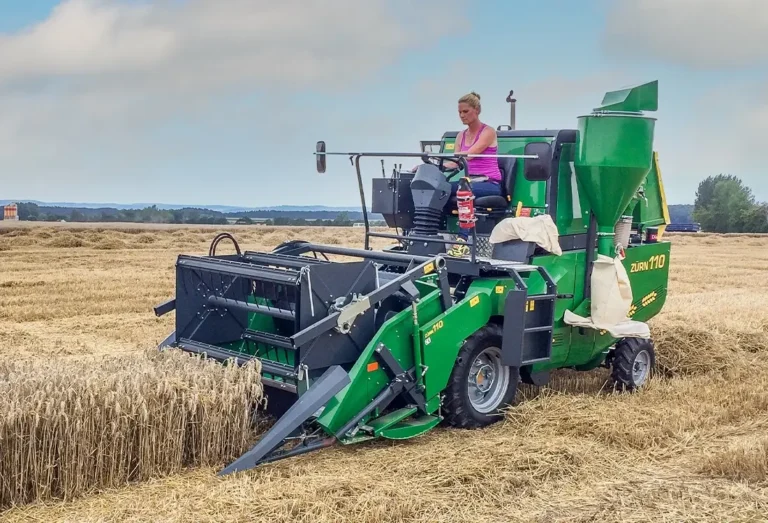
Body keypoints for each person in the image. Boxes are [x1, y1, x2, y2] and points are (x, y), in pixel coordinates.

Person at [446, 92, 502, 256]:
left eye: (465, 111)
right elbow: (455, 162)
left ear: (476, 110)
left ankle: (462, 242)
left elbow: (469, 154)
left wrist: (453, 160)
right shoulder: (460, 136)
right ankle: (426, 236)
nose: (462, 115)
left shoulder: (488, 132)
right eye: (459, 112)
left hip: (489, 184)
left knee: (464, 189)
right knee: (437, 188)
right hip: (470, 181)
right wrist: (432, 165)